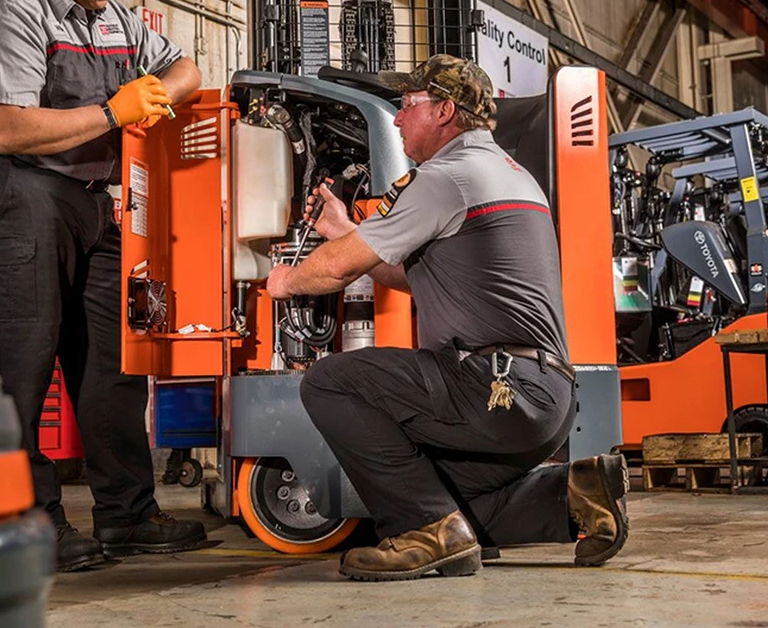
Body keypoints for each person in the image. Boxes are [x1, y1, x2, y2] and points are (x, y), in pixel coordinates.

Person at [266, 54, 629, 581]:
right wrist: (346, 230)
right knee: (445, 501)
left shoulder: (444, 177)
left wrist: (283, 279)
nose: (395, 119)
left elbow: (337, 271)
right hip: (545, 398)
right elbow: (415, 278)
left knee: (330, 383)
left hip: (494, 387)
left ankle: (426, 535)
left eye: (407, 105)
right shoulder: (507, 172)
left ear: (443, 111)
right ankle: (576, 493)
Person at [0, 0, 205, 572]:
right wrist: (112, 109)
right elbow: (9, 127)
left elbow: (186, 66)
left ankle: (127, 515)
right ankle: (29, 524)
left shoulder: (115, 21)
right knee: (23, 362)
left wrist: (160, 94)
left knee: (113, 362)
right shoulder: (13, 16)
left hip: (94, 201)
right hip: (18, 195)